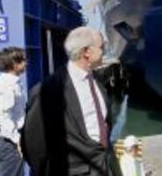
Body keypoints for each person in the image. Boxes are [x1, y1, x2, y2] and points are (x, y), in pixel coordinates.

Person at [21, 27, 121, 176]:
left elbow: (104, 125)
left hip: (103, 167)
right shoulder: (48, 91)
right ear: (86, 52)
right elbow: (34, 144)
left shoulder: (97, 82)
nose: (105, 51)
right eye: (102, 47)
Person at [0, 47, 27, 176]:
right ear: (15, 64)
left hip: (9, 140)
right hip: (9, 142)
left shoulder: (10, 83)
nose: (26, 63)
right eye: (23, 60)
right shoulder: (7, 85)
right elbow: (4, 117)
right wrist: (17, 140)